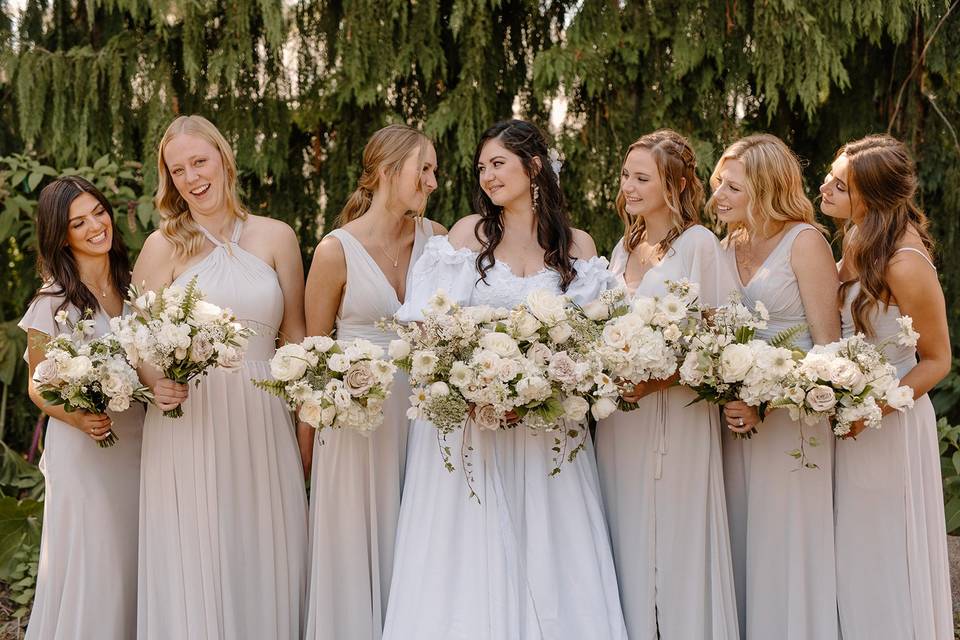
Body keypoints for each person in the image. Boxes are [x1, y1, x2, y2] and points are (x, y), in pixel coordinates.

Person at [382, 119, 627, 640]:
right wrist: (473, 389)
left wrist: (546, 389)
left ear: (533, 166)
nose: (487, 177)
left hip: (547, 429)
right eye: (481, 168)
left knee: (551, 551)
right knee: (468, 556)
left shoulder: (577, 245)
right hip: (473, 425)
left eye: (499, 164)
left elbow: (593, 341)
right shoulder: (469, 232)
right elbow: (428, 324)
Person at [132, 115, 308, 639]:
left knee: (266, 544)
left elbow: (295, 338)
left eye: (199, 161)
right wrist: (153, 381)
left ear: (224, 161)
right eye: (177, 169)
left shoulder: (277, 236)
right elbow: (136, 342)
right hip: (189, 419)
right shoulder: (161, 246)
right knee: (198, 546)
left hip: (264, 416)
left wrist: (305, 430)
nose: (191, 177)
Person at [594, 130, 740, 639]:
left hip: (675, 413)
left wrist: (661, 380)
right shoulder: (625, 243)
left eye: (641, 177)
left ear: (674, 184)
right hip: (621, 421)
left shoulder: (699, 244)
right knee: (627, 531)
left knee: (677, 539)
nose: (628, 187)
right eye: (626, 175)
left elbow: (721, 340)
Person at [302, 123, 444, 639]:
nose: (432, 181)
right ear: (388, 172)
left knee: (421, 540)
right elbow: (312, 360)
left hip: (427, 421)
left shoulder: (441, 241)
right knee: (358, 546)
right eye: (423, 169)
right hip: (356, 429)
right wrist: (306, 454)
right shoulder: (335, 251)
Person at [821, 134, 952, 640]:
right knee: (850, 551)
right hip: (849, 416)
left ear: (872, 198)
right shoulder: (857, 238)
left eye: (840, 184)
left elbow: (937, 360)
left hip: (888, 422)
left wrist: (871, 408)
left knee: (880, 552)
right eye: (831, 176)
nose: (824, 188)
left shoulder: (904, 262)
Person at [713, 134, 841, 639]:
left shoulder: (805, 242)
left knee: (786, 547)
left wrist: (767, 399)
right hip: (730, 420)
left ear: (766, 189)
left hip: (792, 423)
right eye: (719, 182)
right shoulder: (723, 245)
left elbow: (828, 346)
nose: (718, 195)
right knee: (740, 541)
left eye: (733, 187)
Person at [21, 176, 144, 640]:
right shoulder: (51, 302)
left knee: (133, 556)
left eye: (99, 211)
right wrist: (79, 417)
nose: (97, 225)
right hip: (85, 449)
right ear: (61, 235)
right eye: (79, 221)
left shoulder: (135, 288)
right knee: (98, 560)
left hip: (139, 443)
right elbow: (38, 384)